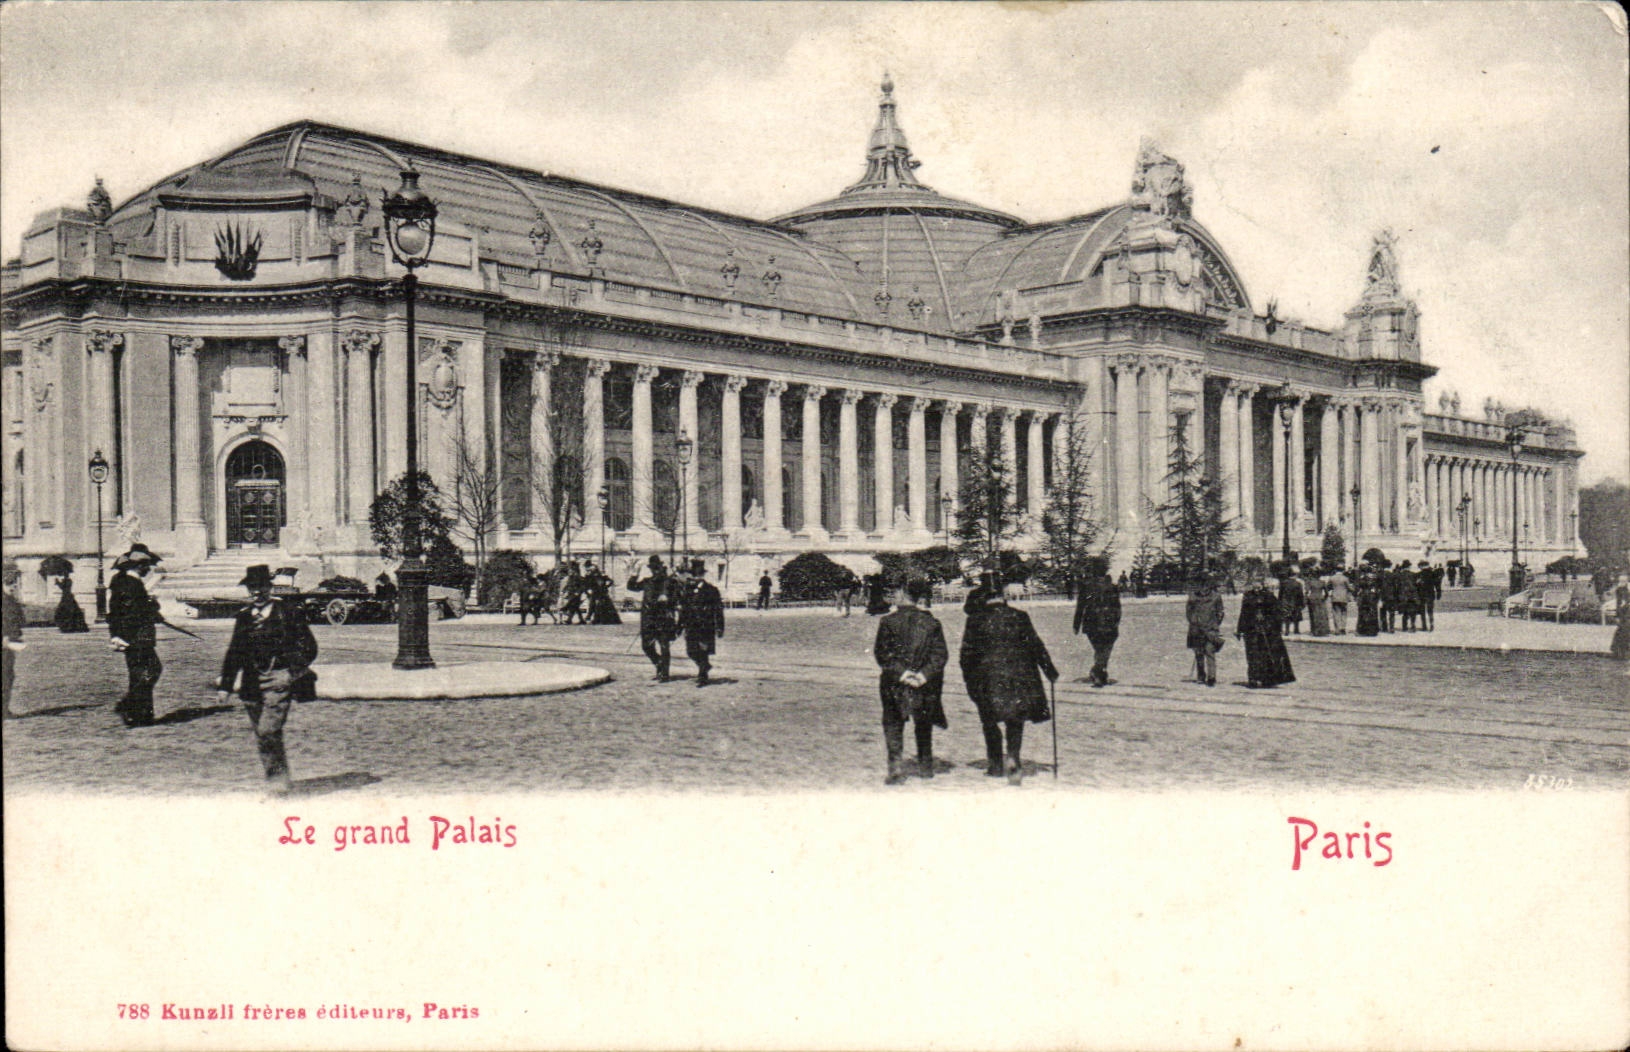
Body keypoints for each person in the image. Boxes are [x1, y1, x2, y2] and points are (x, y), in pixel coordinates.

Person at [216, 564, 319, 795]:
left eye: (261, 587)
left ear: (270, 587)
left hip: (278, 681)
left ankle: (277, 782)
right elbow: (234, 652)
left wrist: (291, 673)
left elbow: (309, 647)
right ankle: (277, 778)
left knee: (267, 730)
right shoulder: (244, 617)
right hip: (251, 684)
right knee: (265, 735)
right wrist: (225, 686)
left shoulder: (288, 612)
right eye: (252, 588)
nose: (257, 592)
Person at [961, 582, 1057, 785]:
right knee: (1015, 720)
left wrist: (970, 680)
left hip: (988, 679)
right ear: (1003, 597)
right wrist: (1050, 670)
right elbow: (1035, 645)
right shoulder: (1020, 616)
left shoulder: (975, 620)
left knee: (989, 721)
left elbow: (967, 655)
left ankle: (995, 764)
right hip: (1018, 677)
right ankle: (1013, 757)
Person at [873, 577, 948, 784]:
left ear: (903, 595)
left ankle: (895, 769)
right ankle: (925, 767)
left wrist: (903, 674)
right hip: (924, 684)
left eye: (896, 592)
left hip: (894, 683)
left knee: (893, 724)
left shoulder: (888, 622)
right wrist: (922, 676)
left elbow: (883, 655)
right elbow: (940, 655)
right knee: (923, 724)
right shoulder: (932, 623)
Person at [107, 542, 166, 727]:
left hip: (129, 636)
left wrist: (116, 634)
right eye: (146, 566)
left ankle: (140, 716)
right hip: (138, 636)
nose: (148, 569)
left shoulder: (122, 581)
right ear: (138, 566)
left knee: (137, 674)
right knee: (153, 669)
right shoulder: (133, 584)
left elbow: (116, 610)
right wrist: (152, 607)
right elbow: (134, 611)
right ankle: (130, 705)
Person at [1237, 571, 1295, 689]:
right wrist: (1240, 629)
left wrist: (1272, 625)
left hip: (1267, 630)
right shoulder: (1248, 595)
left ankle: (1267, 679)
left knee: (1266, 655)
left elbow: (1276, 613)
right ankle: (1253, 679)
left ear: (1262, 584)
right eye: (1254, 583)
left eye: (1258, 582)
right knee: (1252, 655)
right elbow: (1244, 613)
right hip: (1252, 630)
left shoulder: (1269, 596)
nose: (1256, 585)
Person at [1073, 558, 1121, 688]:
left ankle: (1097, 672)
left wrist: (1076, 624)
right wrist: (1116, 621)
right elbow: (1117, 607)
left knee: (1100, 649)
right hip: (1109, 623)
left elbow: (1080, 607)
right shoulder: (1112, 586)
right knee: (1104, 650)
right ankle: (1099, 673)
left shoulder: (1086, 586)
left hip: (1091, 624)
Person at [628, 555, 677, 682]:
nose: (655, 570)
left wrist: (668, 599)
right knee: (646, 646)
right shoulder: (647, 581)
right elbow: (631, 587)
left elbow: (677, 598)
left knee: (664, 645)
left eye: (657, 568)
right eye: (653, 568)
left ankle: (664, 674)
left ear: (661, 567)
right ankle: (659, 663)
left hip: (663, 618)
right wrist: (634, 574)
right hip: (648, 618)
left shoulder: (669, 582)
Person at [678, 561, 725, 686]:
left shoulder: (711, 590)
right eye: (694, 575)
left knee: (703, 650)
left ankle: (702, 676)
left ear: (702, 576)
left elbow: (718, 610)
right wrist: (679, 626)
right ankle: (705, 666)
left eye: (698, 575)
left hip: (706, 625)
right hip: (691, 625)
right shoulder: (687, 590)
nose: (695, 577)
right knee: (691, 651)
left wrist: (720, 627)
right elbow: (684, 609)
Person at [1185, 575, 1225, 686]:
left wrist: (1215, 624)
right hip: (1196, 629)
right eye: (1200, 584)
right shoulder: (1192, 597)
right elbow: (1188, 612)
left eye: (1206, 584)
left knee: (1209, 651)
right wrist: (1194, 621)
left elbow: (1220, 612)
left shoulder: (1216, 597)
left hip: (1210, 629)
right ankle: (1201, 675)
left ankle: (1212, 677)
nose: (1203, 587)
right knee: (1199, 653)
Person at [3, 563, 25, 718]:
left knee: (8, 675)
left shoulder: (11, 600)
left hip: (10, 642)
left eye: (14, 582)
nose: (13, 586)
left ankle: (5, 709)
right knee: (6, 675)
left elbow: (20, 620)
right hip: (4, 642)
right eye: (9, 583)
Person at [1278, 566, 1305, 635]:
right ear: (1295, 575)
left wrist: (1279, 602)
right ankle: (1296, 630)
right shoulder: (1298, 584)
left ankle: (1287, 631)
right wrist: (1302, 603)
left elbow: (1280, 594)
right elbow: (1300, 594)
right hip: (1295, 601)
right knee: (1296, 614)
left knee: (1287, 616)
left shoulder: (1283, 583)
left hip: (1286, 601)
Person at [1355, 568, 1381, 637]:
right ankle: (1372, 631)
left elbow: (1357, 588)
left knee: (1364, 614)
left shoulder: (1362, 579)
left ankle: (1363, 631)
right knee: (1372, 614)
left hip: (1364, 598)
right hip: (1372, 598)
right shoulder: (1375, 580)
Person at [1306, 572, 1332, 637]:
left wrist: (1307, 598)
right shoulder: (1322, 582)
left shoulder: (1310, 582)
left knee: (1313, 615)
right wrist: (1324, 598)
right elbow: (1326, 593)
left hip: (1312, 598)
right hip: (1320, 598)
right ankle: (1323, 631)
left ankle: (1314, 630)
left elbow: (1307, 591)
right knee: (1322, 615)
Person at [1397, 560, 1420, 632]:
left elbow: (1397, 586)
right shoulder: (1413, 574)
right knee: (1413, 612)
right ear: (1409, 566)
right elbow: (1417, 584)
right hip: (1412, 595)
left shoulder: (1399, 575)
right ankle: (1413, 626)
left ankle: (1404, 627)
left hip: (1403, 596)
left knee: (1405, 612)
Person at [1326, 567, 1350, 635]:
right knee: (1344, 612)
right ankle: (1343, 628)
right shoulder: (1345, 578)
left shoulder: (1332, 578)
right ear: (1342, 570)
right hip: (1344, 597)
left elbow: (1327, 587)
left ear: (1335, 570)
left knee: (1336, 613)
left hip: (1335, 597)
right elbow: (1349, 587)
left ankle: (1337, 629)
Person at [1377, 563, 1398, 633]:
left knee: (1383, 612)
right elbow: (1396, 587)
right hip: (1391, 596)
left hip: (1383, 596)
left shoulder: (1380, 575)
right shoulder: (1393, 575)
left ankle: (1384, 627)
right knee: (1392, 613)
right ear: (1390, 566)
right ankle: (1391, 628)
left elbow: (1378, 587)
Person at [1419, 562, 1438, 631]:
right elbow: (1437, 584)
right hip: (1430, 594)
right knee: (1430, 610)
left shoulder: (1419, 574)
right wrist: (1438, 592)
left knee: (1422, 610)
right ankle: (1431, 624)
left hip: (1422, 594)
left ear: (1422, 566)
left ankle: (1424, 626)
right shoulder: (1433, 573)